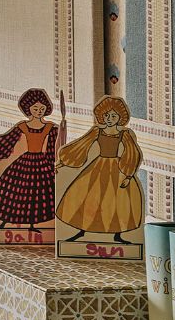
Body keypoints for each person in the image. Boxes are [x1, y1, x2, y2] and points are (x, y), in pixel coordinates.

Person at [53, 95, 144, 254]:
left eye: (114, 116)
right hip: (98, 167)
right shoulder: (97, 131)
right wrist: (63, 163)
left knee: (117, 202)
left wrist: (128, 175)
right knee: (87, 199)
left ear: (120, 117)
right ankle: (82, 231)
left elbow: (132, 154)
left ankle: (118, 234)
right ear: (102, 115)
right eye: (107, 115)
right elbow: (80, 146)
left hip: (116, 169)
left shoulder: (125, 134)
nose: (110, 119)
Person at [0, 88, 61, 247]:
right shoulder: (22, 127)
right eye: (35, 108)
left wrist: (56, 164)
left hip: (42, 164)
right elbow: (7, 141)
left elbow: (55, 149)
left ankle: (32, 225)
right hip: (25, 162)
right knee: (15, 193)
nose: (39, 111)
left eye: (42, 109)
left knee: (37, 196)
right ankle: (4, 223)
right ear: (28, 109)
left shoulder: (51, 128)